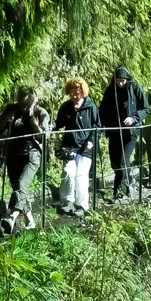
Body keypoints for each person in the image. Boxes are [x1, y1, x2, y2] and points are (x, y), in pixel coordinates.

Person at [0, 86, 51, 235]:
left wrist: (32, 119)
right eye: (22, 105)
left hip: (32, 155)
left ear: (34, 102)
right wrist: (7, 119)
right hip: (13, 154)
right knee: (19, 189)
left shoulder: (41, 113)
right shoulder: (12, 109)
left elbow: (43, 137)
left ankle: (11, 217)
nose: (24, 108)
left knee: (21, 184)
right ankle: (30, 221)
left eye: (27, 105)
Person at [99, 66, 149, 203]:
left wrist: (134, 118)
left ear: (127, 79)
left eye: (123, 80)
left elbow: (145, 108)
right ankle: (126, 182)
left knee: (122, 161)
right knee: (114, 162)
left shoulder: (135, 89)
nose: (121, 83)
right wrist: (98, 125)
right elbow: (102, 110)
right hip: (114, 131)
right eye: (118, 80)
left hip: (130, 133)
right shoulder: (110, 91)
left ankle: (121, 191)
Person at [54, 77, 100, 216]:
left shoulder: (91, 106)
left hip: (86, 148)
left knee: (81, 176)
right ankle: (67, 201)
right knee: (68, 172)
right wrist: (51, 127)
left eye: (77, 91)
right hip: (69, 146)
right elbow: (59, 123)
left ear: (83, 91)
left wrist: (91, 140)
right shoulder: (66, 106)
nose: (75, 95)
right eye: (72, 92)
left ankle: (81, 205)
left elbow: (97, 126)